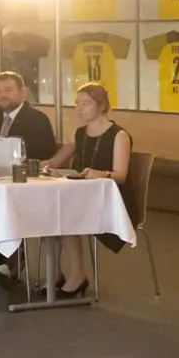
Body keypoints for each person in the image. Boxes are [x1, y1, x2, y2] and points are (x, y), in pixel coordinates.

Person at [43, 82, 132, 296]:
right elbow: (55, 161)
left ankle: (77, 276)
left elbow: (121, 175)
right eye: (78, 103)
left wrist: (101, 173)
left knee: (67, 216)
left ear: (101, 106)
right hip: (81, 194)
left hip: (110, 197)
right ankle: (54, 273)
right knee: (47, 213)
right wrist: (28, 163)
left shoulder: (119, 135)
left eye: (86, 103)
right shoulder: (80, 133)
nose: (80, 108)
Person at [0, 71, 58, 161]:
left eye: (8, 90)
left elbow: (30, 153)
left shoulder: (37, 120)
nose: (3, 95)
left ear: (22, 92)